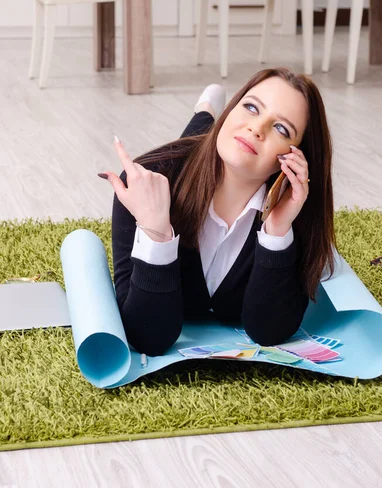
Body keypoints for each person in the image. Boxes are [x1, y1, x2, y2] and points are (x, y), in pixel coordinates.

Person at [98, 68, 336, 356]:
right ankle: (206, 111)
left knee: (206, 140)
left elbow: (269, 331)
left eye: (281, 128)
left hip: (245, 177)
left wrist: (277, 231)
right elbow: (147, 336)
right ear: (232, 109)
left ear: (294, 159)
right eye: (250, 107)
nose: (256, 128)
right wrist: (157, 231)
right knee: (198, 136)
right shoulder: (142, 186)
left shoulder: (295, 208)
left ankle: (208, 115)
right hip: (189, 164)